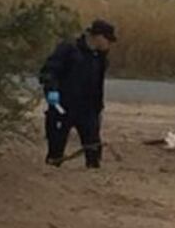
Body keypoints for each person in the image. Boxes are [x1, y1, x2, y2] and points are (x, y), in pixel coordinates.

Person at [39, 19, 117, 168]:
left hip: (88, 111)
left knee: (93, 150)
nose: (109, 44)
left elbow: (98, 84)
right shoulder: (69, 49)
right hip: (63, 108)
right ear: (98, 36)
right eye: (108, 39)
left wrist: (98, 108)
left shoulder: (100, 57)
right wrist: (52, 92)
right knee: (55, 150)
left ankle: (92, 171)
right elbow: (49, 72)